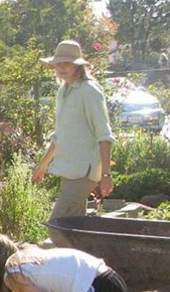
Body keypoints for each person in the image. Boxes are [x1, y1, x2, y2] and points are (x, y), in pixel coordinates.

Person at [33, 40, 115, 247]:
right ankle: (88, 270)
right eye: (58, 63)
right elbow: (60, 135)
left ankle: (81, 269)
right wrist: (43, 164)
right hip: (70, 169)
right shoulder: (64, 92)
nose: (61, 68)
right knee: (73, 229)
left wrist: (106, 175)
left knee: (57, 226)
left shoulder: (89, 91)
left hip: (84, 171)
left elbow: (104, 136)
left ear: (78, 65)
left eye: (66, 63)